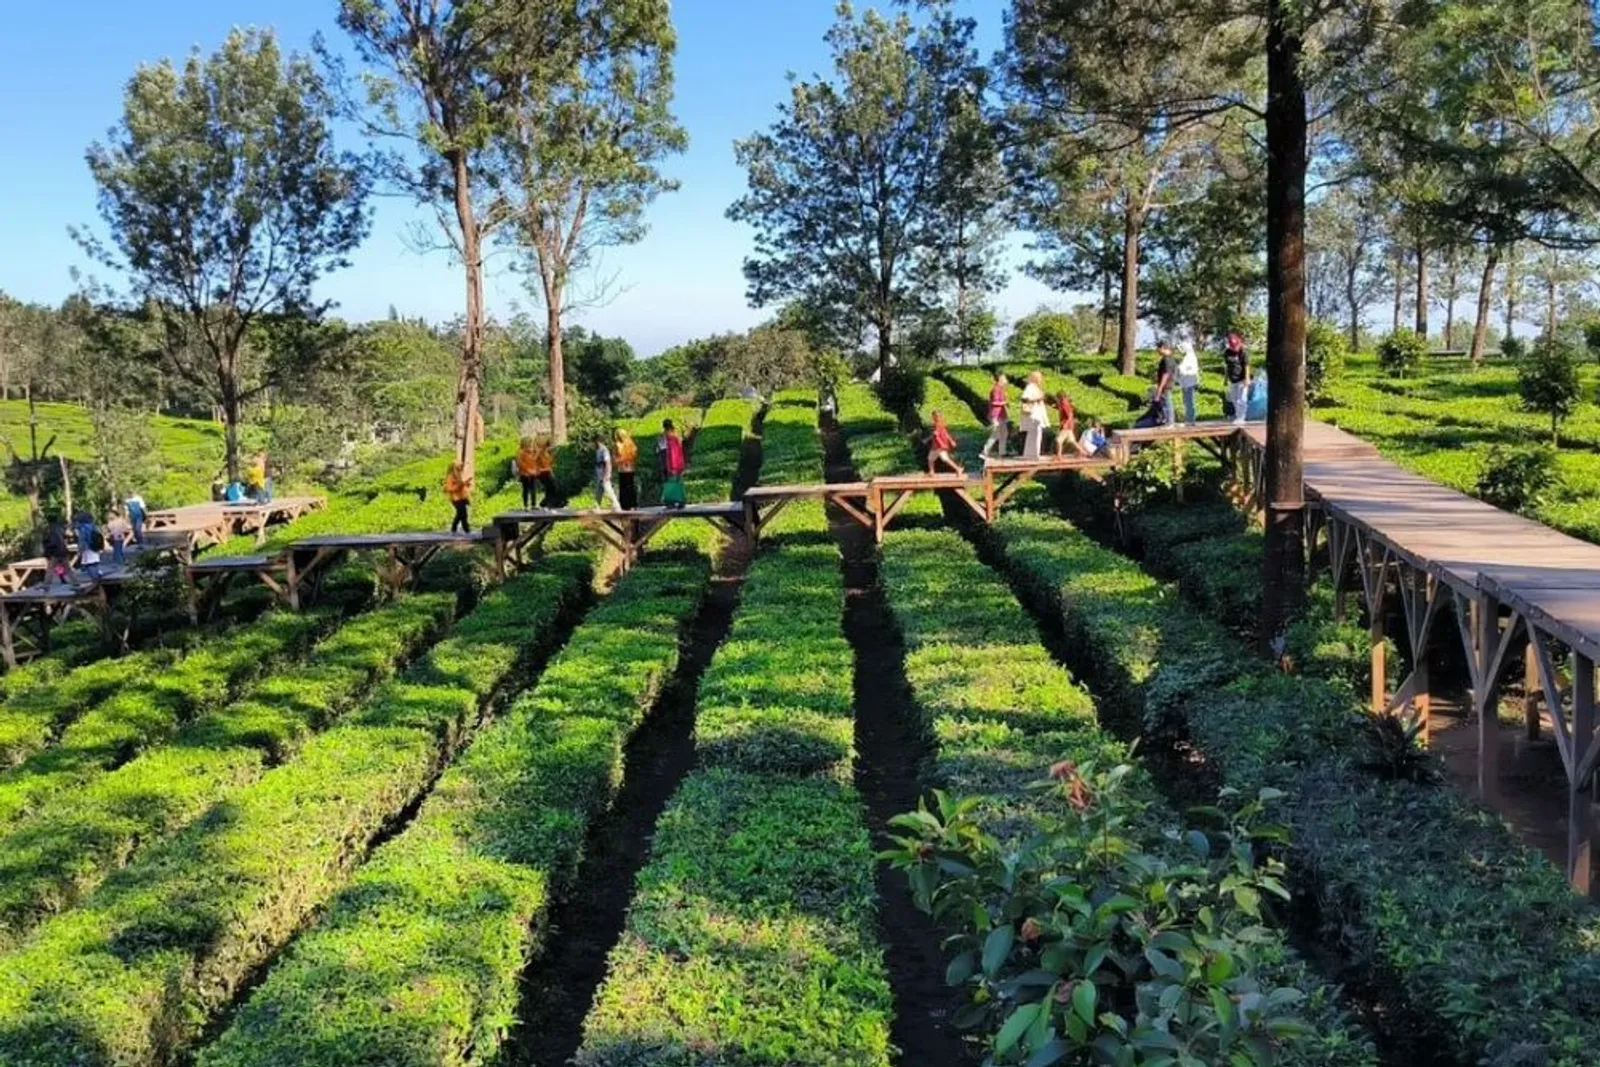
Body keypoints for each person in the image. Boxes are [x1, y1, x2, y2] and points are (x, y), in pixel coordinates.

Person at [657, 419, 688, 509]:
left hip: (672, 465)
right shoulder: (675, 436)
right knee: (676, 483)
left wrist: (672, 467)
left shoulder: (670, 438)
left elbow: (673, 454)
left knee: (671, 483)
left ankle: (672, 503)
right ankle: (680, 501)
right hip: (678, 464)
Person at [1222, 331, 1250, 426]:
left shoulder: (1243, 352)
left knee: (1241, 398)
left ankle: (1241, 417)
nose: (1234, 348)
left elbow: (1246, 366)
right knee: (1233, 398)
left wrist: (1247, 378)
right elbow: (1227, 366)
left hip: (1241, 379)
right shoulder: (1227, 352)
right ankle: (1237, 415)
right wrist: (1225, 379)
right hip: (1232, 379)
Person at [981, 369, 1010, 461]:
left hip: (1002, 414)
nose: (1006, 380)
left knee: (1004, 433)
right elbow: (994, 402)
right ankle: (984, 452)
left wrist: (1005, 403)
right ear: (1000, 379)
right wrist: (1004, 403)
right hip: (996, 415)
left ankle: (1002, 452)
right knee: (996, 434)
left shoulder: (1002, 389)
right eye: (1004, 378)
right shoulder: (996, 389)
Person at [1020, 371, 1048, 460]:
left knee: (1034, 433)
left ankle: (1031, 454)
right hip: (1034, 413)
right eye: (1039, 377)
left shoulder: (1036, 387)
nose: (1041, 379)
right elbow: (1025, 398)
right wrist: (1037, 399)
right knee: (1036, 432)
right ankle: (1034, 455)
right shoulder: (1030, 386)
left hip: (1037, 412)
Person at [927, 410, 964, 475]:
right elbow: (945, 434)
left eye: (934, 416)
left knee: (932, 459)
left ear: (934, 417)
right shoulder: (941, 424)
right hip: (938, 446)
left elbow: (937, 436)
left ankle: (932, 472)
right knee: (938, 459)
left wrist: (942, 444)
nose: (934, 418)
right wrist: (951, 441)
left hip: (938, 446)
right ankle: (932, 472)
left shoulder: (937, 425)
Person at [593, 433, 622, 510]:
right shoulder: (598, 450)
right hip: (599, 473)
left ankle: (616, 505)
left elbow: (608, 462)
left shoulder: (604, 450)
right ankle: (597, 505)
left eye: (595, 441)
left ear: (598, 441)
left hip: (603, 472)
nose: (594, 443)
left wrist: (607, 474)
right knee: (599, 490)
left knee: (608, 489)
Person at [72, 508, 103, 581]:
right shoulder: (94, 526)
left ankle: (95, 578)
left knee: (89, 564)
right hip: (95, 547)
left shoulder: (82, 528)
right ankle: (98, 575)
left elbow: (82, 540)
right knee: (95, 563)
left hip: (87, 549)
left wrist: (80, 549)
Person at [1176, 336, 1201, 425]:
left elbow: (1186, 369)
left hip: (1189, 383)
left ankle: (1190, 420)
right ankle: (1188, 419)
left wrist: (1179, 368)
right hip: (1186, 382)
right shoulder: (1188, 356)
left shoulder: (1190, 357)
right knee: (1186, 401)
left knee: (1189, 401)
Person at [1153, 341, 1178, 427]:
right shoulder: (1171, 358)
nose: (1157, 351)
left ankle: (1170, 422)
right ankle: (1167, 421)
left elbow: (1166, 374)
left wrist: (1160, 387)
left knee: (1167, 403)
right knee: (1165, 403)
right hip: (1168, 384)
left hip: (1166, 384)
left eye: (1158, 348)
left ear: (1163, 347)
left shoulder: (1167, 359)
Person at [42, 517, 72, 588]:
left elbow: (47, 540)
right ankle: (63, 579)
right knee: (61, 566)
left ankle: (47, 583)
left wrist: (46, 546)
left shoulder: (50, 529)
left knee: (53, 567)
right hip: (61, 550)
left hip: (54, 550)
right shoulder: (59, 528)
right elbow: (64, 537)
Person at [444, 461, 473, 533]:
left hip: (462, 497)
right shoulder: (450, 477)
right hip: (455, 498)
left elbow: (461, 485)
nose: (460, 469)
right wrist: (460, 484)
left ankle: (457, 529)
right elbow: (450, 489)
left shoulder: (459, 475)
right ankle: (464, 529)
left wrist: (466, 483)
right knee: (462, 513)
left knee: (462, 514)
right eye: (458, 468)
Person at [615, 428, 639, 511]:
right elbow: (635, 452)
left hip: (622, 468)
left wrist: (616, 460)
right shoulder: (631, 444)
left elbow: (618, 456)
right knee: (631, 486)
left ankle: (625, 505)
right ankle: (633, 504)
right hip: (631, 467)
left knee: (623, 487)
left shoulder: (618, 444)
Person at [1053, 392, 1082, 457]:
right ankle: (1081, 451)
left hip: (1066, 426)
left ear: (1059, 398)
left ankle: (1059, 456)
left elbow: (1069, 415)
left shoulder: (1064, 404)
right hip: (1069, 426)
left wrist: (1065, 424)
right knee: (1071, 441)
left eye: (1056, 398)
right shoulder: (1064, 403)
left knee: (1058, 440)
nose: (1056, 400)